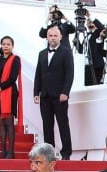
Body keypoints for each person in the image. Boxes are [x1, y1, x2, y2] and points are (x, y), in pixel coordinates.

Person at [33, 25, 74, 161]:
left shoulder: (66, 52)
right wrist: (36, 92)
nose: (52, 38)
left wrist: (65, 92)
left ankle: (66, 152)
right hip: (45, 95)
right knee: (47, 125)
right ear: (47, 37)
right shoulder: (41, 53)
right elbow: (38, 74)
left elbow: (69, 74)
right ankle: (49, 152)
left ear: (60, 37)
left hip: (60, 96)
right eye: (50, 35)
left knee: (63, 124)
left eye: (55, 35)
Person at [0, 35, 20, 159]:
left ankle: (11, 151)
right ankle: (3, 150)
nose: (5, 46)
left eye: (8, 44)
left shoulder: (15, 59)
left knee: (9, 122)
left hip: (9, 93)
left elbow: (12, 78)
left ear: (12, 46)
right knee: (1, 122)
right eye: (3, 44)